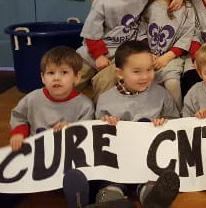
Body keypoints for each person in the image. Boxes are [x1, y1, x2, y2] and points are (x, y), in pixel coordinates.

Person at [0, 46, 94, 208]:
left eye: (64, 73)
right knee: (15, 177)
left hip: (67, 157)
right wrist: (19, 133)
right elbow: (19, 116)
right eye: (51, 73)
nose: (56, 78)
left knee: (78, 176)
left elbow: (88, 132)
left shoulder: (84, 104)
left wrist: (72, 128)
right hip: (36, 155)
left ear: (77, 77)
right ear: (42, 77)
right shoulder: (32, 99)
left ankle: (80, 200)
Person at [64, 40, 180, 208]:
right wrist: (106, 124)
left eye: (150, 70)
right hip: (115, 164)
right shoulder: (105, 100)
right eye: (137, 71)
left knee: (150, 183)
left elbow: (175, 124)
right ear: (120, 73)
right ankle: (108, 200)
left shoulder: (162, 95)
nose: (145, 76)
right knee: (109, 186)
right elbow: (97, 139)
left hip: (147, 162)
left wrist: (164, 122)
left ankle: (153, 200)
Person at [76, 0, 149, 99]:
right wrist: (99, 55)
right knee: (73, 74)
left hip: (122, 52)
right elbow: (91, 32)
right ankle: (59, 102)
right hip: (96, 49)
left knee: (107, 79)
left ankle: (101, 111)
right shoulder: (103, 1)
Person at [138, 0, 195, 110]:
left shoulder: (187, 8)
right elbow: (141, 31)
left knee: (172, 84)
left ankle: (176, 117)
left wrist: (167, 57)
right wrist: (147, 54)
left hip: (173, 59)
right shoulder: (149, 5)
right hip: (148, 56)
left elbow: (187, 35)